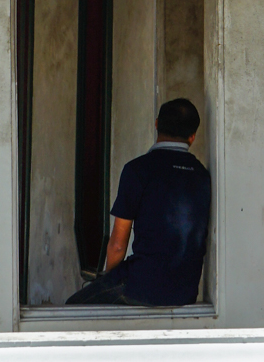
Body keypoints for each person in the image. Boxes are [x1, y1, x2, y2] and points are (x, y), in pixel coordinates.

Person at [66, 97, 211, 307]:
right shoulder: (202, 176)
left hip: (142, 287)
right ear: (192, 136)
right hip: (185, 292)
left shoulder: (138, 169)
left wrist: (108, 281)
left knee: (74, 307)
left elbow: (117, 244)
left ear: (156, 124)